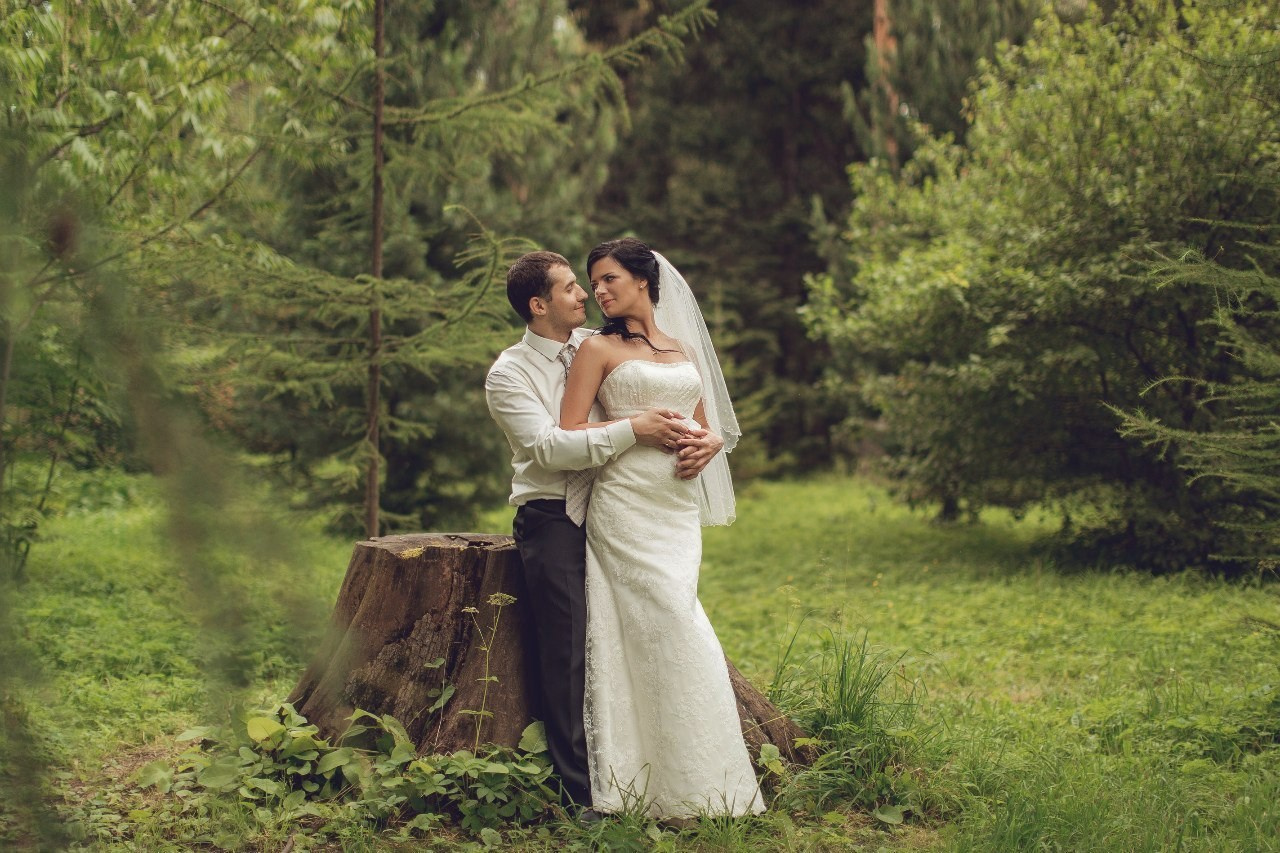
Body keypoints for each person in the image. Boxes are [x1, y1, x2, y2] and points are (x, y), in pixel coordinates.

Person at [484, 250, 720, 814]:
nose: (586, 296)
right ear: (539, 305)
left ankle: (660, 765)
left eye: (591, 284)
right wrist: (632, 429)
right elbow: (547, 447)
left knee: (641, 629)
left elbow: (680, 403)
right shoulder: (509, 372)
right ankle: (579, 795)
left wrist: (708, 440)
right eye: (572, 288)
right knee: (569, 651)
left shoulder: (605, 342)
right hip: (555, 510)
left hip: (633, 504)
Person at [560, 238, 764, 819]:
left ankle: (705, 782)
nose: (598, 291)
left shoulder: (681, 349)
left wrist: (710, 444)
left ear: (644, 281)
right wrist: (636, 425)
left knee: (669, 620)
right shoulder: (596, 349)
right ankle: (643, 780)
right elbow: (572, 431)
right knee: (667, 622)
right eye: (593, 282)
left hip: (675, 507)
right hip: (624, 503)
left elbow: (707, 424)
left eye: (608, 279)